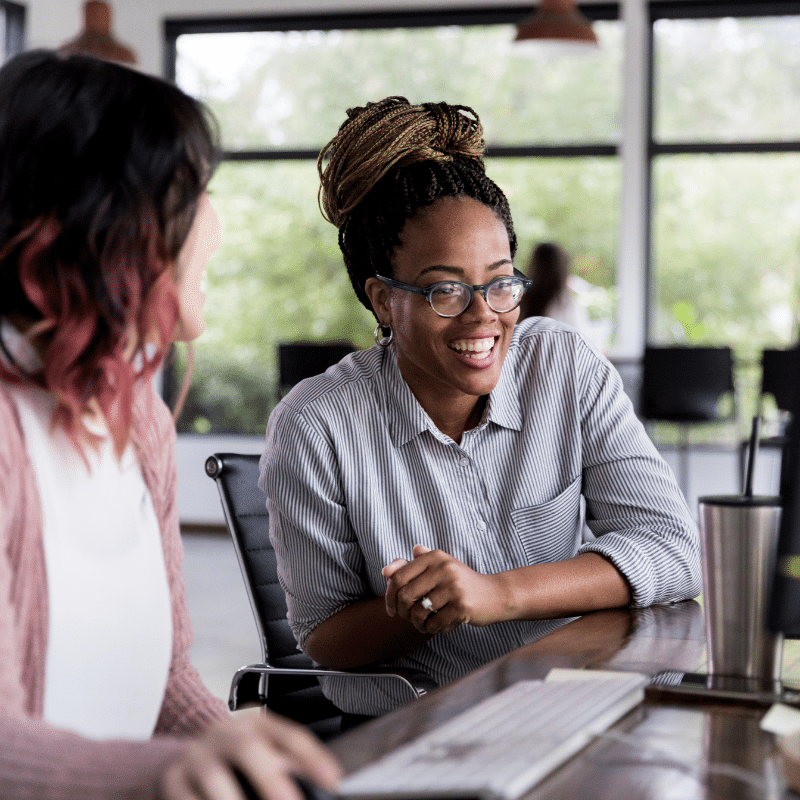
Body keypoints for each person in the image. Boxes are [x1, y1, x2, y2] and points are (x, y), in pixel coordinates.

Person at [260, 96, 700, 718]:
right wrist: (423, 608)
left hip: (579, 701)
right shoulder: (316, 426)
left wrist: (496, 593)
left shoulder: (562, 368)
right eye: (445, 289)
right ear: (384, 301)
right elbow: (325, 640)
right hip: (433, 725)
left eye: (500, 282)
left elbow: (674, 549)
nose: (483, 314)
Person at [0, 50, 341, 800]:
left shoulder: (142, 424)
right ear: (106, 222)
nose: (215, 223)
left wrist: (231, 750)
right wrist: (165, 775)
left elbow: (165, 679)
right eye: (194, 192)